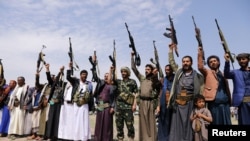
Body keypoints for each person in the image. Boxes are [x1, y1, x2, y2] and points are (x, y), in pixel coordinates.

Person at [167, 43, 204, 141]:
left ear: (191, 63)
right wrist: (170, 50)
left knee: (189, 125)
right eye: (183, 61)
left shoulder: (197, 76)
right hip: (178, 104)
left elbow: (199, 91)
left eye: (187, 61)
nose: (185, 63)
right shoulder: (179, 72)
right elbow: (172, 62)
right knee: (176, 126)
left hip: (190, 105)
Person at [131, 52, 161, 141]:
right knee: (143, 123)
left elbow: (158, 89)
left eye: (148, 69)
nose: (146, 70)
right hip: (142, 103)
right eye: (145, 69)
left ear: (151, 70)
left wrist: (155, 75)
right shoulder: (142, 78)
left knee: (151, 123)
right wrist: (132, 57)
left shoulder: (154, 79)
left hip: (150, 103)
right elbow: (134, 69)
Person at [197, 47, 231, 125]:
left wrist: (227, 60)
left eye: (215, 61)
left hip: (225, 103)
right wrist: (200, 53)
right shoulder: (207, 72)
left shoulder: (223, 74)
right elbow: (200, 67)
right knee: (215, 122)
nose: (213, 62)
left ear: (218, 62)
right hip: (214, 104)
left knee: (227, 122)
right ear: (209, 64)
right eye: (211, 62)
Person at [66, 62, 93, 141]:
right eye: (83, 74)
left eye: (86, 74)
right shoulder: (76, 82)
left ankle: (85, 137)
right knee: (77, 120)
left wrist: (92, 106)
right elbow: (68, 77)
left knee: (85, 121)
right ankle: (76, 137)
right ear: (80, 75)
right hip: (76, 104)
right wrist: (69, 68)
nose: (84, 76)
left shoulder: (89, 84)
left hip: (85, 104)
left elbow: (91, 95)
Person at [113, 65, 138, 141]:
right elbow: (110, 80)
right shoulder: (118, 82)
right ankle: (120, 139)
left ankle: (131, 139)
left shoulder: (132, 82)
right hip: (119, 108)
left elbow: (136, 94)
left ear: (128, 73)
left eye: (125, 71)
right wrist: (112, 70)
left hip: (128, 108)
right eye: (122, 72)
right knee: (119, 126)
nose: (123, 73)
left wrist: (134, 105)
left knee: (130, 126)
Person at [224, 53, 250, 125]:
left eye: (243, 59)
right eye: (239, 60)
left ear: (248, 60)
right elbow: (226, 74)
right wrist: (227, 62)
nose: (241, 61)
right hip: (243, 102)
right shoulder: (235, 72)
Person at [93, 67, 116, 141]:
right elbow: (95, 76)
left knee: (107, 124)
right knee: (99, 123)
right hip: (100, 105)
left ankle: (106, 139)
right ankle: (98, 138)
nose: (106, 77)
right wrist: (94, 65)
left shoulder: (113, 86)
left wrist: (112, 107)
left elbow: (114, 97)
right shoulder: (101, 84)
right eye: (105, 76)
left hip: (107, 106)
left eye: (107, 76)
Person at [45, 64, 66, 140]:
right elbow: (50, 78)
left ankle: (56, 135)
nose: (60, 77)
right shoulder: (53, 84)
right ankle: (49, 135)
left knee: (58, 119)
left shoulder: (64, 85)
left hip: (60, 104)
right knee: (51, 118)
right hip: (52, 102)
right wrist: (47, 69)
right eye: (59, 76)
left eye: (61, 76)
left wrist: (62, 73)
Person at [157, 64, 174, 141]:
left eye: (168, 70)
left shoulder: (176, 79)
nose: (167, 71)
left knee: (172, 122)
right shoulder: (163, 80)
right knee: (163, 121)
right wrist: (158, 105)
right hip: (164, 103)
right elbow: (160, 93)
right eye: (166, 70)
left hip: (174, 104)